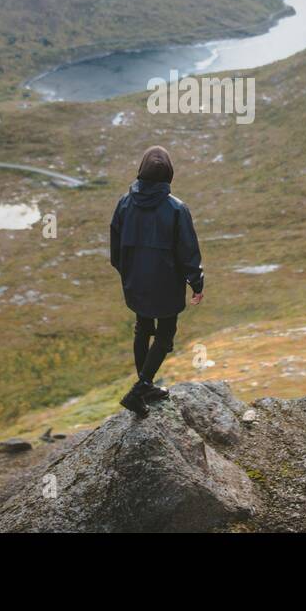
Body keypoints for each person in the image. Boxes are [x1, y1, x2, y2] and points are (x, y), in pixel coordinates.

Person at [109, 145, 204, 417]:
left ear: (141, 170)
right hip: (166, 285)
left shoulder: (124, 203)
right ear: (169, 174)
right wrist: (196, 283)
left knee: (142, 328)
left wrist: (126, 272)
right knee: (164, 336)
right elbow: (188, 250)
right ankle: (141, 389)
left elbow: (115, 246)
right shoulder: (176, 208)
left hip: (135, 280)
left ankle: (145, 384)